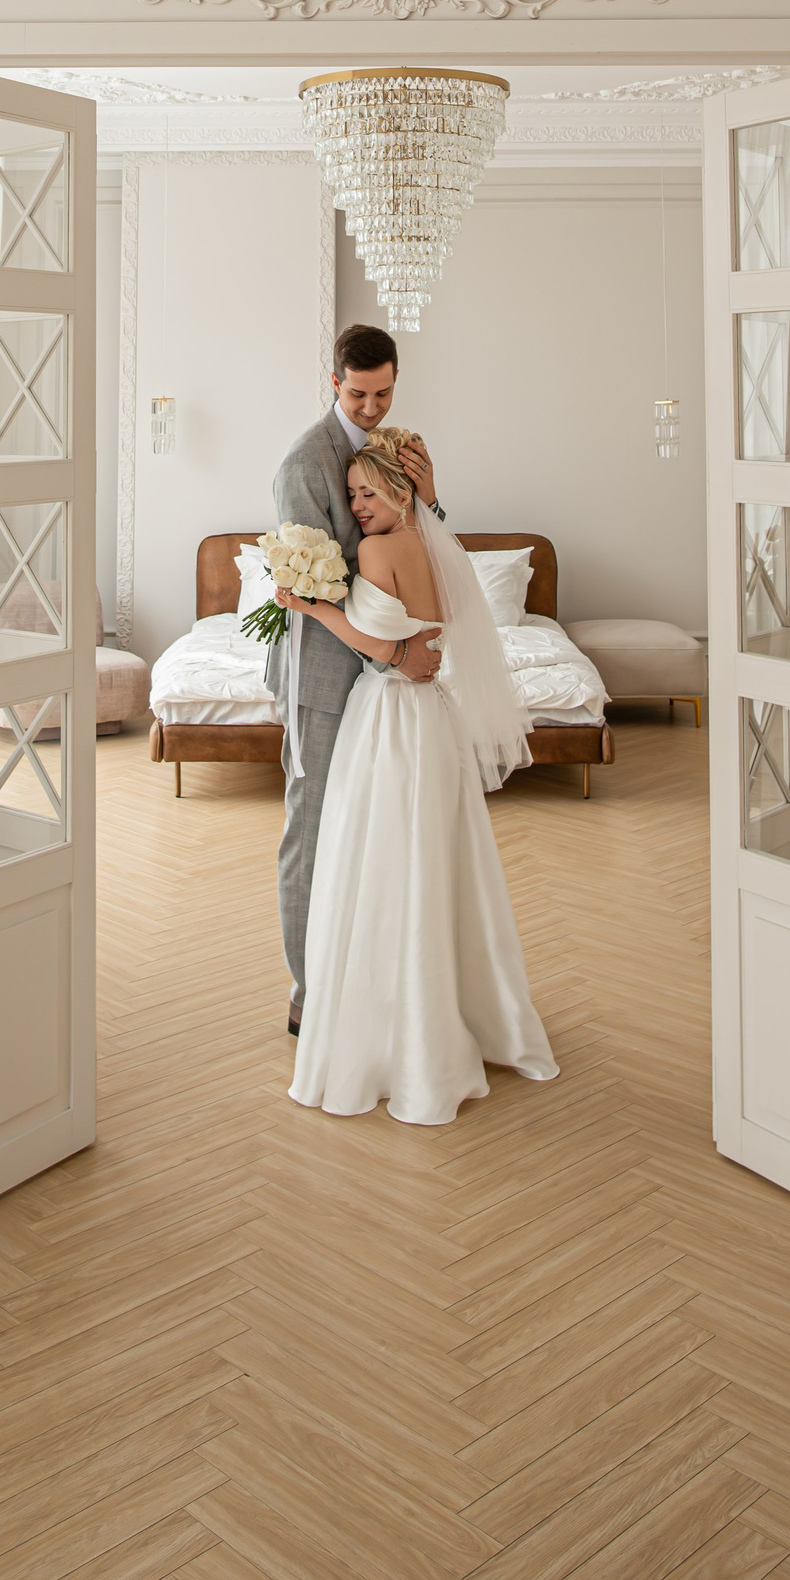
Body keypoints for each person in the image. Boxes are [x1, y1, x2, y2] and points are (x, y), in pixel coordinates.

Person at [275, 431, 557, 1125]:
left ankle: (383, 1018)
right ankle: (446, 1007)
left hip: (388, 717)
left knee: (379, 856)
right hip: (435, 719)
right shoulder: (439, 547)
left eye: (368, 493)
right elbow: (436, 634)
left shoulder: (376, 551)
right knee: (435, 857)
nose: (357, 507)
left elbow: (379, 645)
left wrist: (310, 607)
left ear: (401, 491)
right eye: (351, 495)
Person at [269, 323, 445, 1034]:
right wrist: (395, 655)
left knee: (372, 833)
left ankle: (370, 978)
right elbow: (315, 586)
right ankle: (309, 995)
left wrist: (430, 495)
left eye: (384, 394)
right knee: (311, 831)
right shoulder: (303, 464)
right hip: (324, 673)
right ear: (335, 383)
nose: (372, 408)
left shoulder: (395, 449)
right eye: (359, 395)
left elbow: (419, 547)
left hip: (381, 689)